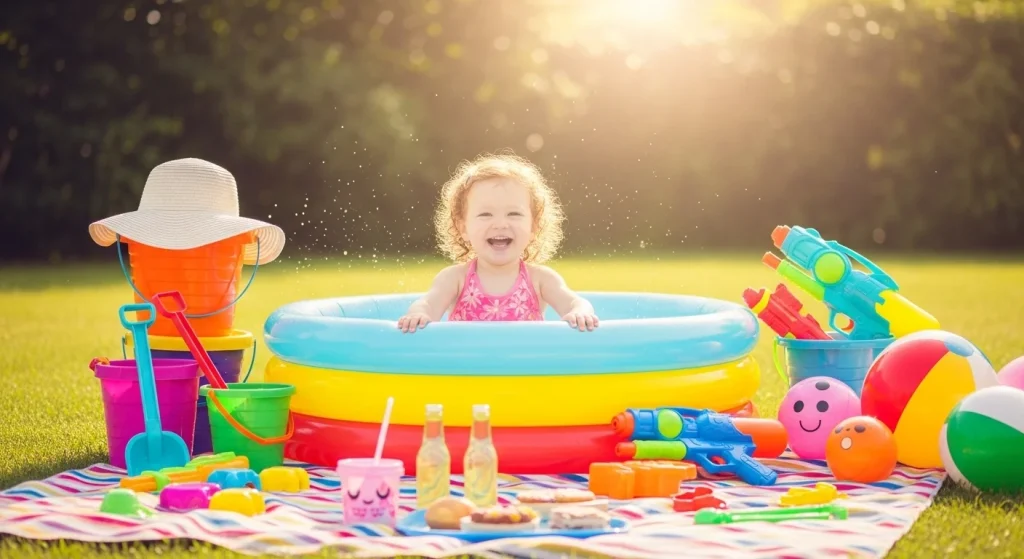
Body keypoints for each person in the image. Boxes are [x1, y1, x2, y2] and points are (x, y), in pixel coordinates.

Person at [398, 151, 599, 333]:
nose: (500, 224)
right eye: (485, 214)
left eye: (513, 213)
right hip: (469, 372)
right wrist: (418, 315)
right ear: (463, 228)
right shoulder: (455, 279)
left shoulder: (540, 280)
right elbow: (427, 304)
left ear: (534, 227)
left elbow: (575, 302)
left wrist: (580, 313)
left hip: (522, 373)